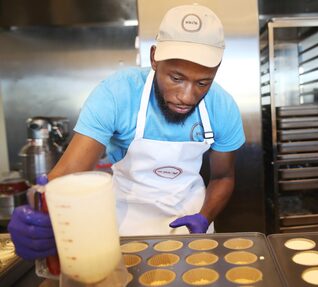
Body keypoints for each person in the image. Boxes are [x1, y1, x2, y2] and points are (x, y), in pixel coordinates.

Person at [8, 4, 245, 261]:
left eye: (202, 83)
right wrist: (38, 210)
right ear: (154, 58)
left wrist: (204, 216)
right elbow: (68, 174)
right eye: (176, 78)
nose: (187, 97)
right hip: (126, 227)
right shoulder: (118, 93)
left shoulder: (223, 107)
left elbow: (223, 177)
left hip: (191, 225)